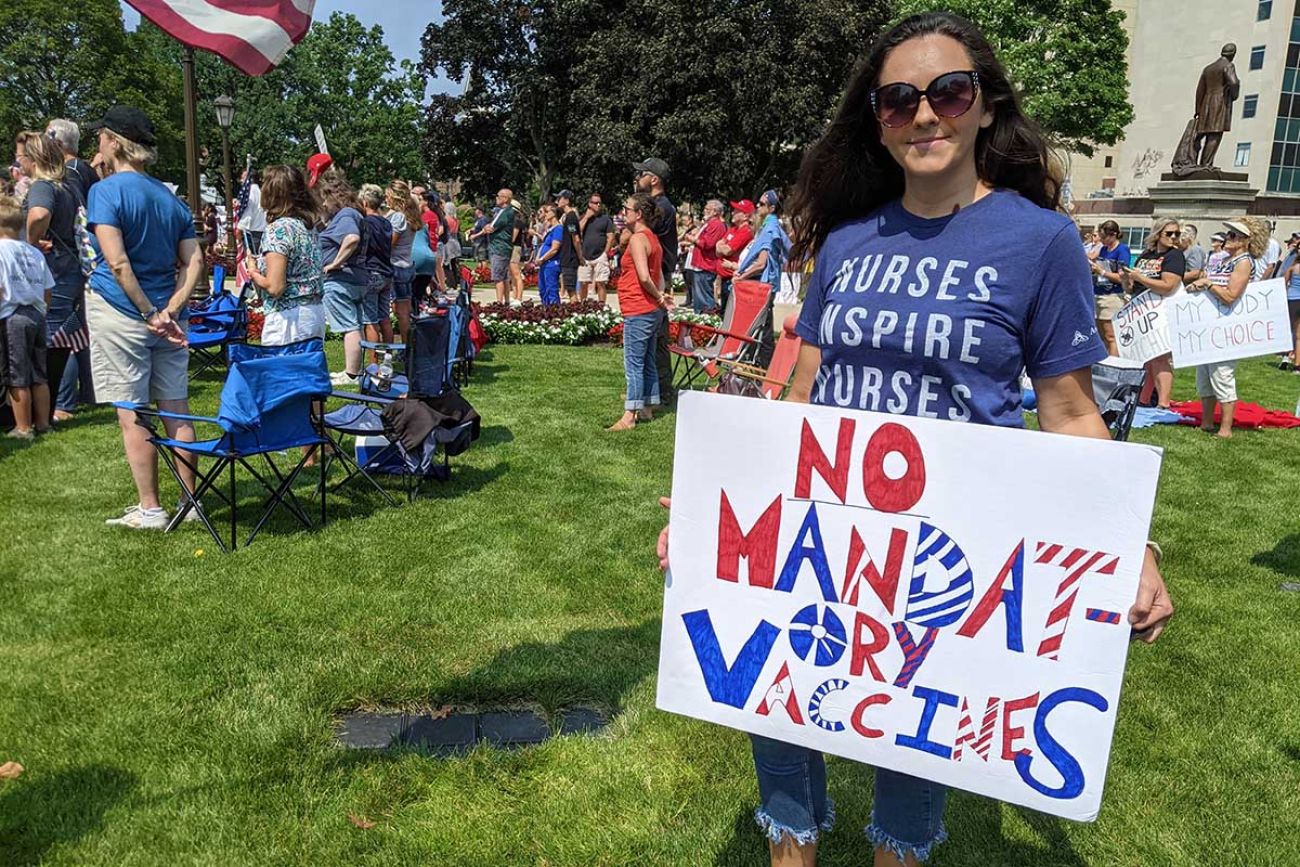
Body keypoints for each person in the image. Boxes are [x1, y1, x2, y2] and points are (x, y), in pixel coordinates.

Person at [657, 14, 1173, 865]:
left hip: (947, 550)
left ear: (982, 105)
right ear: (878, 119)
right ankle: (793, 847)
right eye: (899, 100)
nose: (925, 114)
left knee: (918, 738)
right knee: (776, 691)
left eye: (948, 92)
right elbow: (799, 388)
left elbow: (1073, 412)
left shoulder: (1038, 242)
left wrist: (1128, 544)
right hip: (823, 530)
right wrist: (724, 510)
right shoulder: (849, 241)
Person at [84, 106, 203, 529]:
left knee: (132, 410)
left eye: (100, 135)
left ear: (114, 141)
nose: (97, 142)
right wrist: (171, 308)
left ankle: (150, 507)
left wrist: (152, 312)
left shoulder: (106, 192)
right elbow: (195, 261)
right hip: (168, 318)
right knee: (176, 407)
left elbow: (117, 264)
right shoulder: (171, 198)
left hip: (124, 312)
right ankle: (192, 503)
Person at [14, 131, 81, 428]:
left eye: (22, 158)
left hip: (55, 270)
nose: (20, 163)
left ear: (34, 159)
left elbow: (39, 214)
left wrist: (30, 240)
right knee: (67, 336)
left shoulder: (42, 186)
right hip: (71, 268)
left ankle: (62, 404)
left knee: (55, 339)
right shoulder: (67, 186)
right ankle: (64, 400)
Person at [1186, 220, 1256, 436]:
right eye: (1228, 234)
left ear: (1245, 241)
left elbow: (1231, 296)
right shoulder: (1223, 260)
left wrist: (1208, 284)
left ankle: (1226, 427)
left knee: (1222, 375)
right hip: (1209, 324)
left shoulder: (1243, 262)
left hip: (1226, 326)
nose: (1228, 238)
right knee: (1204, 375)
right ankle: (1206, 421)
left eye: (1234, 236)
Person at [608, 192, 671, 431]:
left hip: (639, 307)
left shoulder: (637, 239)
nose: (624, 213)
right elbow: (660, 276)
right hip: (650, 309)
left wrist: (657, 296)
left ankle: (629, 415)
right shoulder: (652, 238)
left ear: (639, 214)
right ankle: (647, 408)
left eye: (627, 209)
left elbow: (645, 276)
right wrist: (661, 297)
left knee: (633, 362)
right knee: (647, 360)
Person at [244, 165, 324, 345]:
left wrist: (253, 270)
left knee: (280, 371)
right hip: (313, 313)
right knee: (308, 371)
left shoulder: (278, 229)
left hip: (288, 319)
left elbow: (275, 287)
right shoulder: (308, 227)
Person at [0, 196, 54, 439]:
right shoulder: (34, 253)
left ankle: (23, 427)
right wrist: (44, 309)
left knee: (16, 373)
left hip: (12, 315)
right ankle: (43, 423)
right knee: (39, 372)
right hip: (37, 314)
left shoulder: (1, 252)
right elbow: (47, 287)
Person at [1121, 217, 1185, 408]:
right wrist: (1127, 279)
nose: (1173, 237)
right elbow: (1132, 288)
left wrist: (1140, 277)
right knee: (1146, 357)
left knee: (1160, 357)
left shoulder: (1175, 256)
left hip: (1162, 310)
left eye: (1177, 233)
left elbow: (1168, 285)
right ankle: (1143, 399)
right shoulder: (1147, 254)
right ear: (1158, 234)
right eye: (1169, 233)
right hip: (1142, 310)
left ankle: (1163, 402)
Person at [315, 168, 370, 385]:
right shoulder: (352, 214)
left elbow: (351, 239)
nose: (324, 205)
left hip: (341, 280)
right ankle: (355, 370)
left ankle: (351, 374)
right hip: (355, 278)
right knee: (355, 325)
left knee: (349, 327)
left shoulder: (346, 215)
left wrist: (333, 264)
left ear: (332, 196)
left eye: (324, 200)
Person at [635, 158, 678, 405]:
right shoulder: (658, 205)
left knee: (657, 337)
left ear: (654, 179)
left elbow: (636, 233)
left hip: (658, 275)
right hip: (656, 274)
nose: (637, 178)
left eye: (642, 173)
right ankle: (650, 390)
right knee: (650, 335)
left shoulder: (662, 207)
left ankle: (661, 391)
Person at [733, 190, 792, 361]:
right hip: (766, 283)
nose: (757, 206)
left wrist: (741, 276)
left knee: (761, 328)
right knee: (762, 326)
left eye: (762, 204)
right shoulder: (770, 226)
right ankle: (762, 363)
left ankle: (764, 366)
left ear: (772, 208)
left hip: (763, 284)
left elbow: (761, 263)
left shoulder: (770, 228)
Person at [357, 184, 395, 349]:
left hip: (371, 272)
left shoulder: (365, 223)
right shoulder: (386, 223)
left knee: (370, 321)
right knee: (384, 318)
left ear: (365, 203)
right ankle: (388, 358)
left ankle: (374, 364)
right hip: (386, 272)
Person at [1088, 220, 1130, 356]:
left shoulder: (1122, 250)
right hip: (1099, 294)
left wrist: (1101, 271)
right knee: (1101, 336)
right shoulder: (1103, 249)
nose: (1102, 240)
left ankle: (1112, 367)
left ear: (1114, 235)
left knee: (1111, 336)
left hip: (1113, 296)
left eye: (1104, 237)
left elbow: (1121, 277)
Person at [386, 180, 419, 341]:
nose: (386, 200)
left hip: (397, 266)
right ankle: (409, 345)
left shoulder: (398, 217)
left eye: (388, 196)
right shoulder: (410, 215)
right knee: (404, 309)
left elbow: (390, 242)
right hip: (407, 264)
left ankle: (407, 346)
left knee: (401, 311)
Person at [470, 190, 515, 304]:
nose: (496, 198)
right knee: (503, 276)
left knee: (498, 277)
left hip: (499, 248)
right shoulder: (505, 211)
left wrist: (485, 229)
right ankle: (506, 301)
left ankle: (499, 302)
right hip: (502, 248)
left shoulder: (505, 212)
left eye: (498, 196)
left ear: (505, 199)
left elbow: (490, 228)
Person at [45, 119, 98, 206]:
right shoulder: (81, 166)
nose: (43, 144)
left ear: (57, 143)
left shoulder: (70, 170)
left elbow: (77, 208)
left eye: (46, 139)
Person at [577, 192, 616, 304]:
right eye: (595, 203)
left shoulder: (606, 219)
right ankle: (582, 305)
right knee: (583, 282)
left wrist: (605, 252)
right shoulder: (583, 217)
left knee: (601, 282)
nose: (598, 205)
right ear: (589, 204)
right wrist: (587, 217)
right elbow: (576, 232)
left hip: (600, 255)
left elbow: (610, 237)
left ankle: (601, 305)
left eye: (599, 203)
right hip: (585, 255)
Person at [716, 199, 756, 309]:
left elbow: (727, 250)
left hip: (733, 277)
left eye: (737, 211)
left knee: (730, 311)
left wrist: (721, 247)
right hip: (724, 277)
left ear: (745, 216)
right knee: (724, 309)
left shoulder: (746, 231)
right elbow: (718, 248)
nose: (733, 212)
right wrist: (720, 247)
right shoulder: (733, 229)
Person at [688, 200, 726, 312]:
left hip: (706, 265)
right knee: (699, 298)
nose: (704, 211)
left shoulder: (716, 224)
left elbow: (708, 244)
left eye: (707, 209)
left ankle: (707, 322)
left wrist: (694, 239)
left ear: (715, 212)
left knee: (704, 299)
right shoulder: (709, 224)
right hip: (701, 265)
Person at [533, 204, 564, 305]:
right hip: (544, 264)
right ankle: (545, 311)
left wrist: (542, 258)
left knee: (551, 289)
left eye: (547, 212)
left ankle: (554, 311)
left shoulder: (558, 228)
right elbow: (544, 245)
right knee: (543, 290)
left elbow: (555, 248)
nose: (545, 214)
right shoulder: (550, 229)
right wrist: (538, 258)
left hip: (551, 263)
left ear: (554, 214)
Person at [556, 190, 582, 302]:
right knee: (568, 287)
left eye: (559, 198)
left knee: (571, 290)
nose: (557, 201)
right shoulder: (567, 216)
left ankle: (575, 311)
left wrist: (580, 256)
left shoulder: (571, 217)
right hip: (566, 256)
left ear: (566, 200)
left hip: (570, 257)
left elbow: (575, 238)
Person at [236, 167, 266, 255]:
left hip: (252, 232)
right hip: (261, 231)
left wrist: (240, 227)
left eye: (243, 178)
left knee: (251, 260)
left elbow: (248, 212)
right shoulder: (260, 191)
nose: (242, 181)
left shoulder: (251, 192)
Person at [510, 198, 527, 303]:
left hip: (515, 248)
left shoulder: (517, 221)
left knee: (516, 273)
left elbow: (513, 238)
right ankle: (514, 294)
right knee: (512, 273)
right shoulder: (513, 220)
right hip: (513, 248)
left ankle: (519, 297)